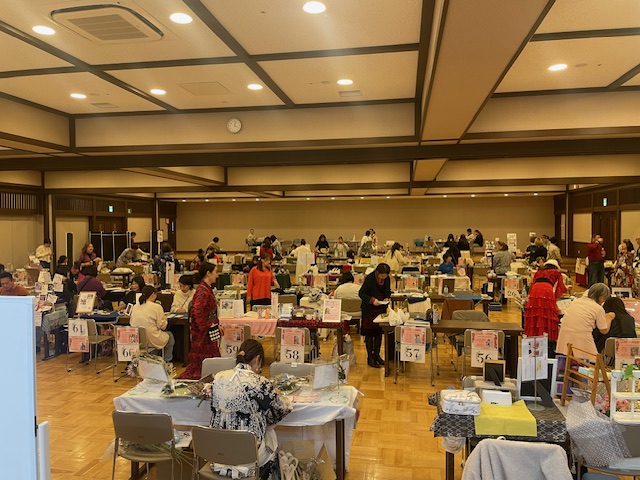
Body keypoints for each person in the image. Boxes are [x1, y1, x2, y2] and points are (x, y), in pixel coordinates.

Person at [209, 339, 292, 479]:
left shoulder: (219, 377)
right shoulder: (259, 382)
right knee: (271, 434)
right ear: (257, 359)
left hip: (218, 454)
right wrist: (278, 394)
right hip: (248, 457)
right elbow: (282, 408)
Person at [180, 263, 220, 379]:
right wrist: (207, 326)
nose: (217, 275)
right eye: (215, 272)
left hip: (206, 333)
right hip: (203, 336)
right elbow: (197, 311)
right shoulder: (203, 291)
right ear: (208, 273)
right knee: (204, 364)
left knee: (207, 363)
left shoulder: (205, 289)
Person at [556, 283, 614, 361]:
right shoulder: (598, 308)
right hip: (581, 335)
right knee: (593, 360)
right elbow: (603, 330)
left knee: (569, 359)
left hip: (565, 333)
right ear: (601, 297)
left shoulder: (576, 301)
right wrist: (609, 318)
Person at [524, 260, 567, 356]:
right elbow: (561, 288)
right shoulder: (556, 273)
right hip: (547, 291)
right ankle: (547, 337)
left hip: (535, 290)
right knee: (547, 314)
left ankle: (535, 335)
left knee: (536, 312)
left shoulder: (538, 272)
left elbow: (532, 284)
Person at [130, 285, 174, 364]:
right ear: (153, 294)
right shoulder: (156, 307)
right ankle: (167, 362)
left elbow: (131, 322)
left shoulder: (135, 306)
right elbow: (163, 326)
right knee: (169, 336)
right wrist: (165, 319)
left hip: (137, 339)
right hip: (151, 338)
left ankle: (153, 358)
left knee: (157, 336)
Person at [359, 263, 391, 368]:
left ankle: (377, 355)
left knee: (379, 333)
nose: (383, 278)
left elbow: (388, 291)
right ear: (377, 273)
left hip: (381, 309)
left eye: (385, 276)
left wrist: (387, 297)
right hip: (369, 310)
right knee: (369, 334)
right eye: (382, 276)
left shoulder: (387, 279)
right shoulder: (370, 279)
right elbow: (361, 293)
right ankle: (370, 357)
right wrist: (372, 300)